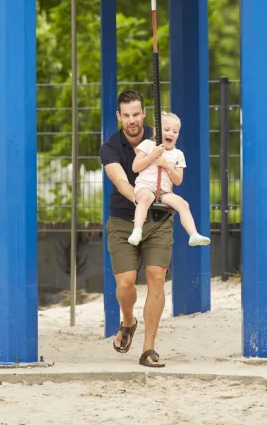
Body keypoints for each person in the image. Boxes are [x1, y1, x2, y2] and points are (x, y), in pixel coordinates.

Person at [99, 89, 173, 368]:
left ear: (144, 113)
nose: (132, 120)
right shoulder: (110, 147)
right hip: (122, 221)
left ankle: (148, 349)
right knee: (126, 282)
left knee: (156, 278)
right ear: (119, 116)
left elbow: (176, 166)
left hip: (159, 221)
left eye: (136, 114)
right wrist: (142, 198)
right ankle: (128, 320)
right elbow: (120, 182)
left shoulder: (158, 136)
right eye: (126, 115)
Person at [128, 111, 210, 248]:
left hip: (164, 192)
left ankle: (193, 234)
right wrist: (152, 156)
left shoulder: (178, 154)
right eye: (166, 130)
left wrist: (168, 166)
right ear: (157, 131)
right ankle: (137, 231)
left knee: (183, 204)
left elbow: (178, 180)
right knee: (145, 198)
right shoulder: (148, 145)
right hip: (146, 186)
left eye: (175, 131)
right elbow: (135, 167)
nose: (171, 134)